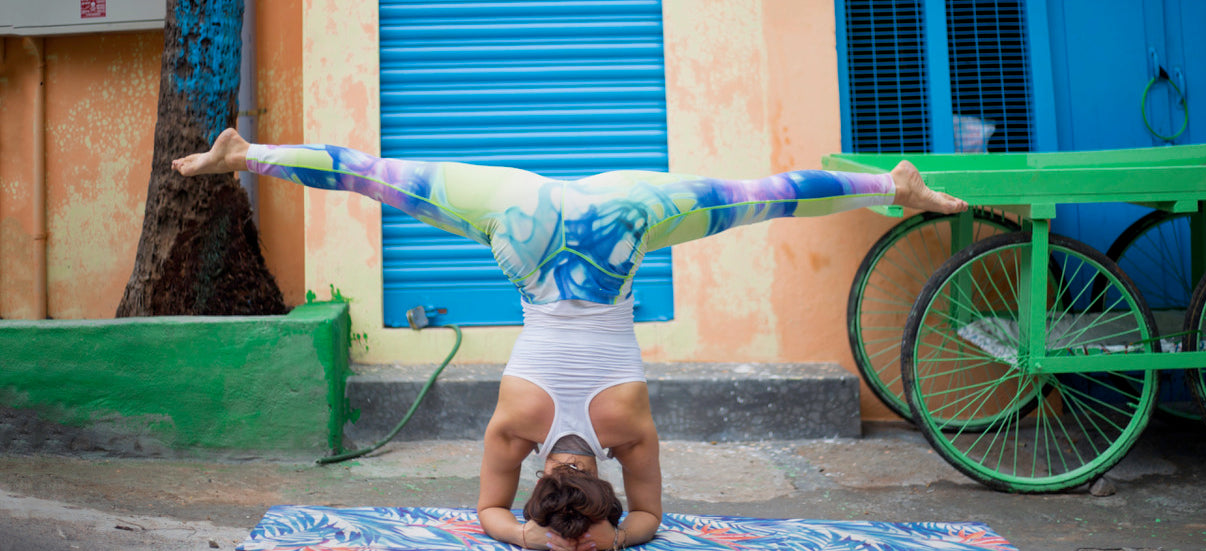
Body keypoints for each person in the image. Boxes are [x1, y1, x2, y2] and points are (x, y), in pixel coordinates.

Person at [174, 128, 966, 551]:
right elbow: (489, 506)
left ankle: (888, 186)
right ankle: (249, 155)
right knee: (386, 181)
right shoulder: (516, 428)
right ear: (543, 482)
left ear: (601, 486)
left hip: (618, 225)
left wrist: (614, 533)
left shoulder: (628, 430)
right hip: (526, 222)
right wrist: (523, 529)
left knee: (755, 200)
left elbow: (650, 514)